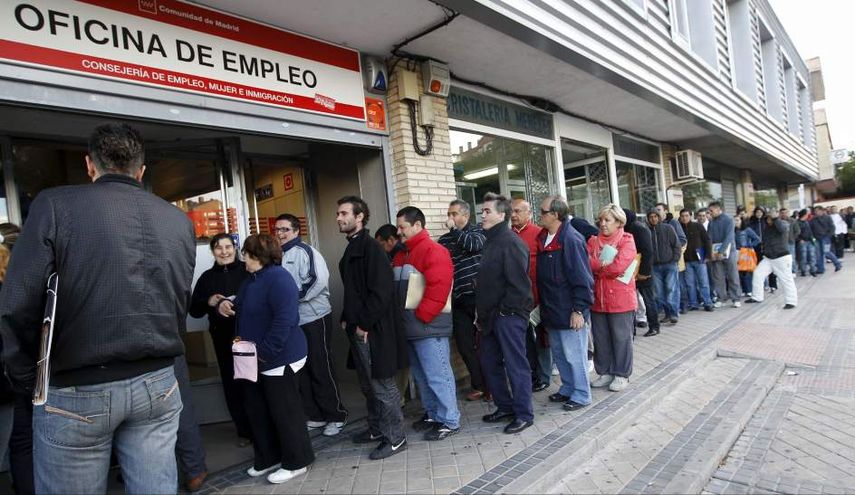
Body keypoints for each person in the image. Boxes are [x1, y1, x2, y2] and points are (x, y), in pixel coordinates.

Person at [0, 123, 194, 494]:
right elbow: (178, 300)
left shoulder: (55, 205)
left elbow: (16, 305)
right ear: (141, 169)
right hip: (158, 382)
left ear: (90, 165)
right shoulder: (177, 220)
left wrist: (28, 380)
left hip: (76, 387)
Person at [219, 234, 313, 484]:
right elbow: (245, 303)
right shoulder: (251, 280)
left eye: (246, 255)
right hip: (253, 359)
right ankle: (269, 457)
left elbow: (284, 321)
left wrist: (265, 354)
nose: (243, 259)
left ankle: (297, 461)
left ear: (258, 257)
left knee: (285, 412)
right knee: (258, 410)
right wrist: (228, 304)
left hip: (279, 358)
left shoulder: (280, 279)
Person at [337, 196, 407, 459]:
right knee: (368, 385)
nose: (339, 218)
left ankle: (396, 438)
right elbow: (355, 290)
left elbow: (381, 292)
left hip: (373, 330)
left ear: (360, 217)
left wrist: (364, 323)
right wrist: (347, 316)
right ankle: (377, 428)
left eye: (344, 213)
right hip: (358, 328)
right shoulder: (354, 246)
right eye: (337, 214)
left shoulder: (371, 248)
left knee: (382, 385)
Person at [274, 214, 348, 437]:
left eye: (285, 229)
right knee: (302, 369)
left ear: (296, 231)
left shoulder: (306, 252)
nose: (280, 233)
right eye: (277, 230)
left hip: (314, 318)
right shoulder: (278, 255)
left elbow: (317, 281)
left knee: (320, 367)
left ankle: (336, 415)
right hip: (293, 322)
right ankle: (315, 415)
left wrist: (289, 298)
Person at [392, 207, 460, 441]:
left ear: (418, 226)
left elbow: (438, 288)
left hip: (428, 327)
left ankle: (450, 420)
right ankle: (434, 415)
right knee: (423, 377)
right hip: (412, 327)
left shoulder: (433, 250)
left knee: (438, 375)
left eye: (402, 227)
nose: (398, 231)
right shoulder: (402, 253)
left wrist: (422, 317)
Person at [476, 192, 534, 434]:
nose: (483, 215)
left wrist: (503, 313)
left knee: (515, 365)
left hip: (507, 316)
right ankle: (505, 407)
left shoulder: (511, 242)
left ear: (502, 214)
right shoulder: (489, 240)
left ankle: (523, 414)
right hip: (489, 317)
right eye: (482, 211)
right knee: (490, 363)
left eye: (487, 211)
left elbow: (520, 286)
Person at [189, 234, 252, 443]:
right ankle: (244, 431)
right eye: (218, 248)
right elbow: (194, 311)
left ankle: (262, 428)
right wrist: (209, 300)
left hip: (248, 336)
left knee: (252, 382)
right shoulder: (207, 277)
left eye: (228, 247)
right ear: (212, 251)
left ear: (235, 248)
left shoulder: (247, 270)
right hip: (222, 338)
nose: (224, 252)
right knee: (232, 384)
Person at [537, 196, 594, 410]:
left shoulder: (571, 239)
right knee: (560, 355)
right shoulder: (545, 238)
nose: (539, 215)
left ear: (555, 214)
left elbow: (582, 278)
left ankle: (581, 394)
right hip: (552, 310)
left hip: (570, 311)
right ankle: (568, 388)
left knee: (574, 356)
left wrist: (579, 309)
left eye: (543, 211)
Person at [438, 199, 488, 402]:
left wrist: (455, 232)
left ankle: (491, 384)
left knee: (484, 343)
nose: (449, 218)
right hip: (457, 299)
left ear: (465, 216)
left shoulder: (478, 232)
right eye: (448, 214)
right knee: (464, 344)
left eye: (454, 214)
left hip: (478, 297)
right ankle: (478, 385)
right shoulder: (444, 240)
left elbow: (472, 245)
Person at [587, 205, 637, 392]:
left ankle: (622, 374)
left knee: (621, 337)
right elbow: (586, 262)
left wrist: (598, 266)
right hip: (598, 298)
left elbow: (618, 267)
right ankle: (605, 371)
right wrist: (603, 265)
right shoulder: (593, 241)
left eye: (607, 220)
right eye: (601, 220)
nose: (603, 224)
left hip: (620, 299)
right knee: (601, 337)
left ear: (618, 222)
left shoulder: (627, 240)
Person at [0, 223, 33, 495]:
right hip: (23, 377)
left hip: (12, 378)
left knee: (20, 444)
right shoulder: (25, 284)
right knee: (25, 442)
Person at [510, 198, 551, 393]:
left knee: (542, 337)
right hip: (517, 298)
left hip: (539, 295)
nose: (514, 215)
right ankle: (532, 374)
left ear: (529, 213)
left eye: (518, 211)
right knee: (524, 339)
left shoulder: (539, 234)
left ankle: (544, 375)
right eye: (512, 211)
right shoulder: (508, 236)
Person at [745, 213, 798, 309]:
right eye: (767, 219)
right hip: (769, 258)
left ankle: (791, 301)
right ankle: (757, 297)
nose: (768, 220)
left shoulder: (782, 224)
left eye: (770, 218)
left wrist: (776, 218)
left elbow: (782, 229)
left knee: (786, 279)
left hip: (781, 257)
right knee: (758, 274)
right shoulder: (767, 228)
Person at [624, 209, 659, 337]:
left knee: (648, 300)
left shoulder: (638, 229)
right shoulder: (627, 228)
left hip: (643, 272)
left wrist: (644, 272)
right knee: (632, 300)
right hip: (632, 271)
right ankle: (632, 329)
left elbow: (648, 251)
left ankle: (654, 326)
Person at [647, 208, 681, 324]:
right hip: (655, 267)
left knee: (671, 289)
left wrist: (675, 259)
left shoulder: (668, 228)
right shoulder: (647, 231)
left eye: (655, 216)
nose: (653, 219)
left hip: (670, 264)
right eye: (651, 217)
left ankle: (674, 314)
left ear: (659, 217)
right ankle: (667, 314)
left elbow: (676, 245)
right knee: (659, 293)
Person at [707, 201, 742, 308]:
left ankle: (736, 298)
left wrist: (720, 251)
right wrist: (711, 253)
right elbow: (709, 238)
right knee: (718, 277)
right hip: (716, 253)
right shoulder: (711, 223)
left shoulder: (728, 220)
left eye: (711, 211)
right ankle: (721, 298)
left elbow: (729, 237)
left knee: (732, 275)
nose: (710, 213)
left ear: (718, 209)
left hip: (729, 252)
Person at [678, 209, 714, 311]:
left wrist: (708, 256)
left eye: (686, 216)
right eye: (682, 216)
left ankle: (708, 303)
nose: (684, 218)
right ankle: (694, 304)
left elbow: (707, 240)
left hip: (700, 259)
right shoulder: (679, 227)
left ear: (690, 216)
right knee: (690, 284)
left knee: (703, 282)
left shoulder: (698, 226)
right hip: (686, 261)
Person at [734, 216, 761, 297]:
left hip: (745, 252)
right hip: (736, 252)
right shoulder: (733, 231)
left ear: (741, 221)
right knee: (739, 272)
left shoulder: (747, 230)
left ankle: (749, 290)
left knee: (746, 271)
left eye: (737, 220)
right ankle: (744, 290)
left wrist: (750, 246)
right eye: (734, 220)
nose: (735, 222)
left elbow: (757, 239)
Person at [810, 206, 842, 273]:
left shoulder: (827, 217)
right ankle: (820, 269)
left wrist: (829, 235)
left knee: (826, 252)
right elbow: (811, 229)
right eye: (815, 211)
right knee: (819, 254)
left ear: (821, 211)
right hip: (817, 239)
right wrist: (813, 238)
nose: (815, 212)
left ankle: (837, 264)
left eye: (817, 211)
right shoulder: (813, 219)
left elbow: (832, 227)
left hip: (826, 238)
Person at [796, 209, 818, 277]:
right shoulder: (797, 223)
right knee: (803, 257)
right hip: (802, 242)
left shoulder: (806, 222)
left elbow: (810, 232)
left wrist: (813, 240)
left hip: (810, 241)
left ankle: (813, 270)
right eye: (807, 213)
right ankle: (803, 271)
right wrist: (799, 240)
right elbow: (795, 233)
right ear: (804, 214)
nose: (808, 214)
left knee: (812, 256)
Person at [779, 208, 800, 274]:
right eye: (782, 213)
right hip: (781, 243)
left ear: (788, 213)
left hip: (790, 242)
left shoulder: (792, 221)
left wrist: (793, 238)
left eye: (785, 212)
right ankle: (786, 271)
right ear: (780, 214)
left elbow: (798, 231)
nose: (784, 214)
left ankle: (793, 271)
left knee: (792, 257)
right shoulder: (778, 221)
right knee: (783, 259)